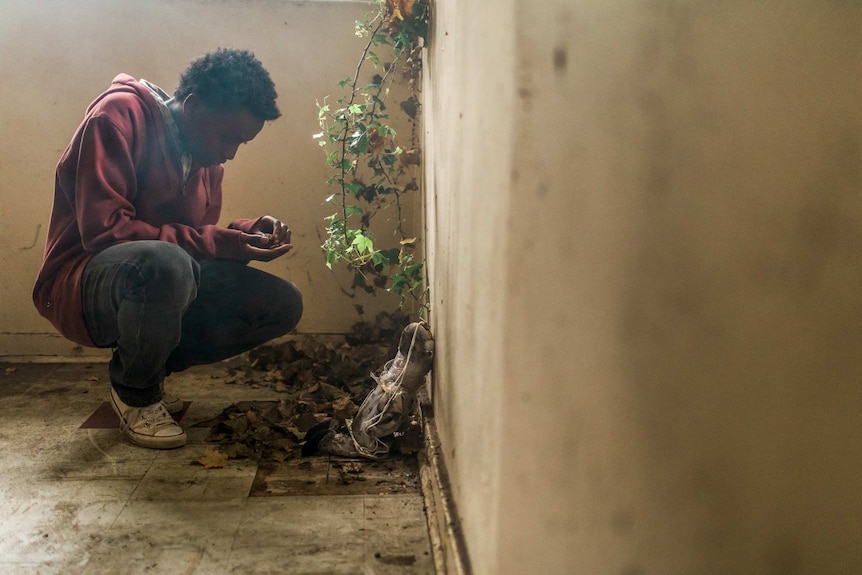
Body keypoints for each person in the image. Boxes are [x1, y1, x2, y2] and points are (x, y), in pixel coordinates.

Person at [33, 48, 302, 450]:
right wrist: (214, 242)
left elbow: (191, 239)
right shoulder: (116, 117)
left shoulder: (207, 159)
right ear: (192, 107)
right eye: (228, 136)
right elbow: (105, 231)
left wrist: (244, 234)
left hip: (152, 272)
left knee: (281, 302)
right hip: (79, 282)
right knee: (166, 265)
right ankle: (135, 394)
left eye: (241, 142)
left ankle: (147, 369)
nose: (230, 152)